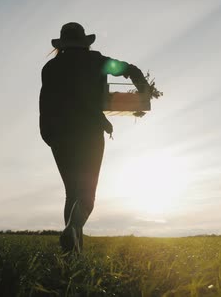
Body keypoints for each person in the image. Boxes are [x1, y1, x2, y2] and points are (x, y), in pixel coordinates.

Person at [39, 22, 149, 253]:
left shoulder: (50, 67)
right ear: (85, 43)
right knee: (87, 194)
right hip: (88, 133)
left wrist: (50, 136)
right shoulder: (96, 61)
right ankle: (72, 229)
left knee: (72, 191)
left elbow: (48, 103)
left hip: (58, 135)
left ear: (62, 44)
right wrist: (143, 94)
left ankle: (73, 255)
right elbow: (132, 70)